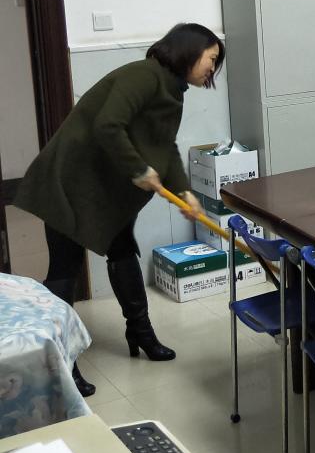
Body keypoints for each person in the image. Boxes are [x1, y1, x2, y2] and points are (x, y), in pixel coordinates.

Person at [15, 23, 224, 395]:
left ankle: (140, 332)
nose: (213, 68)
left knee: (123, 247)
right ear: (190, 51)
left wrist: (184, 192)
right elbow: (108, 125)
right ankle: (60, 361)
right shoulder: (143, 76)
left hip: (107, 188)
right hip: (71, 180)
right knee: (65, 267)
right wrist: (138, 168)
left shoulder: (172, 89)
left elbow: (165, 146)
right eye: (211, 58)